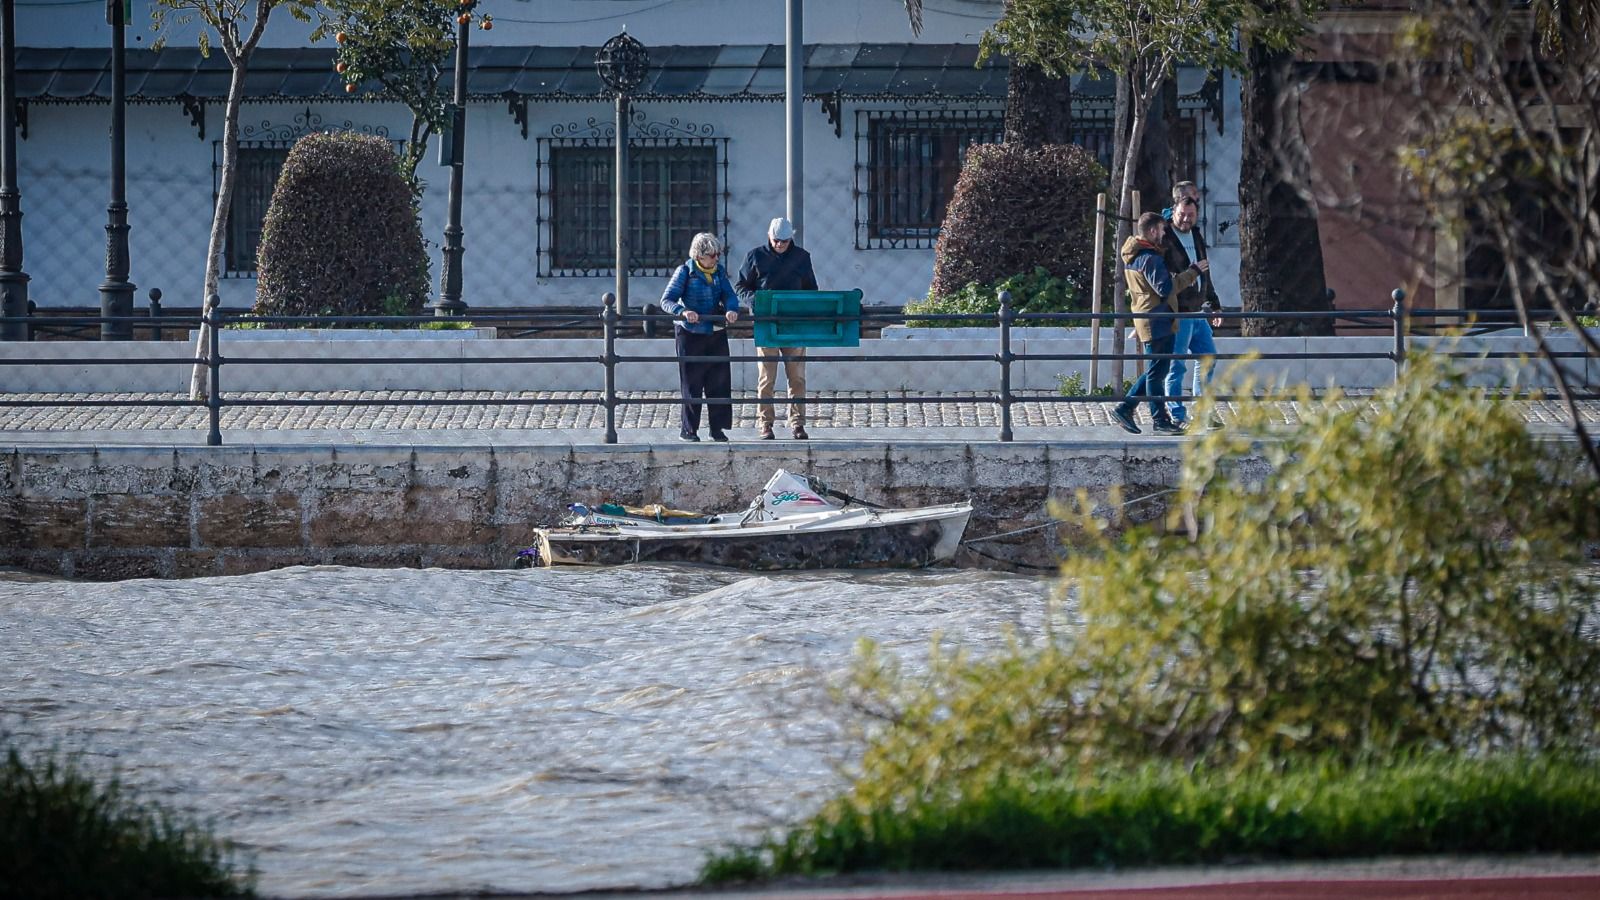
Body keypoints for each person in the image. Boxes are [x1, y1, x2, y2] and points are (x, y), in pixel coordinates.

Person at [1111, 212, 1207, 436]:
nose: (1165, 234)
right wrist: (1191, 273)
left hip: (1150, 318)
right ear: (1153, 231)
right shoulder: (1150, 258)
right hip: (1157, 320)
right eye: (1163, 230)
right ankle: (1158, 420)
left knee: (1156, 369)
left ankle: (1126, 408)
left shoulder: (1134, 256)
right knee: (1157, 373)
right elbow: (1164, 289)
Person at [736, 217, 818, 440]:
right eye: (776, 241)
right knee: (766, 378)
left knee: (797, 378)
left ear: (790, 238)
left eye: (784, 241)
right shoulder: (755, 256)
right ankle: (765, 424)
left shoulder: (802, 257)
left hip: (795, 325)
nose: (780, 245)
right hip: (766, 324)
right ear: (769, 237)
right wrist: (756, 302)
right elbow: (741, 286)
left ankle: (798, 423)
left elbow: (811, 289)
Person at [659, 232, 741, 442]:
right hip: (690, 333)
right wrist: (683, 311)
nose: (716, 258)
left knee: (719, 381)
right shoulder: (685, 272)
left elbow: (729, 294)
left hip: (714, 330)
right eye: (712, 255)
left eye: (717, 254)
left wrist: (732, 309)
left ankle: (717, 429)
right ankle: (689, 430)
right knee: (692, 382)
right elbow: (666, 300)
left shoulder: (718, 272)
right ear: (700, 256)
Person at [1161, 181, 1225, 430]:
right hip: (1179, 312)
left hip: (1198, 311)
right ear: (1174, 209)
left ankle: (1203, 411)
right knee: (1176, 365)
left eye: (1191, 215)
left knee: (1208, 357)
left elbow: (1205, 271)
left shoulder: (1196, 234)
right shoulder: (1165, 236)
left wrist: (1214, 303)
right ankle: (1177, 414)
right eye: (1182, 214)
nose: (1187, 219)